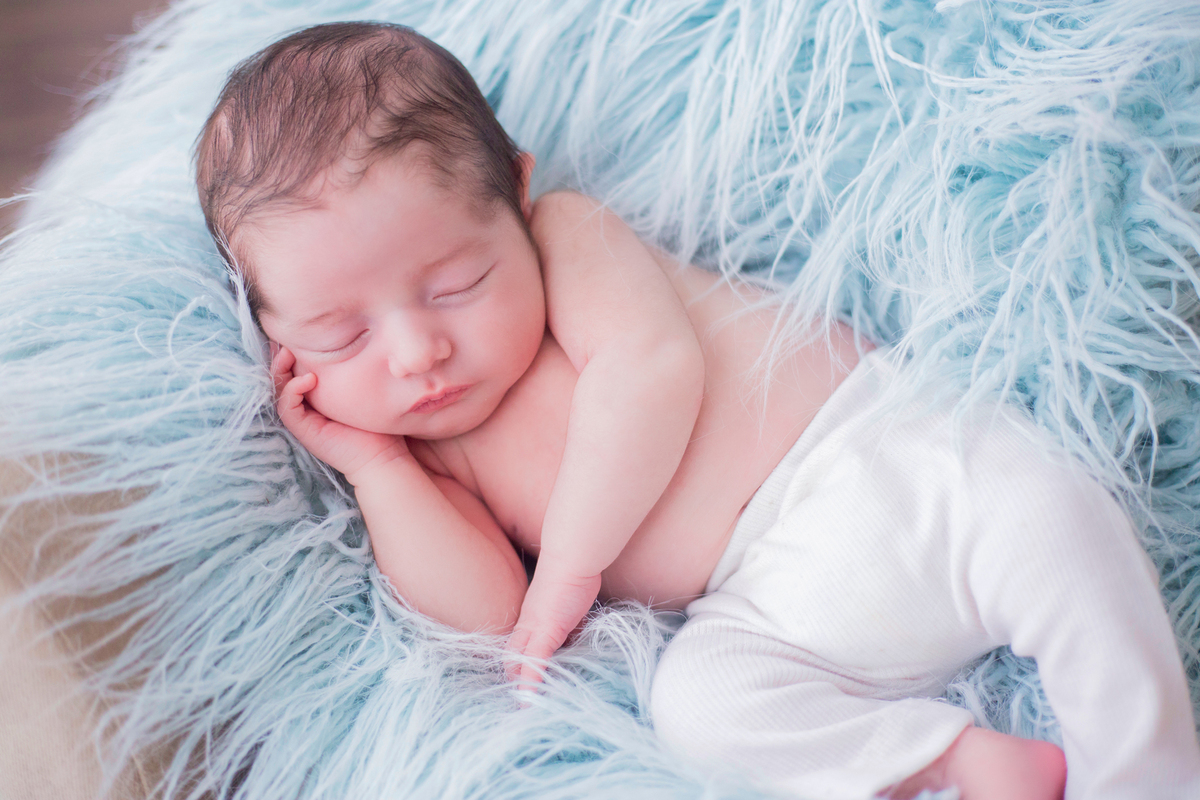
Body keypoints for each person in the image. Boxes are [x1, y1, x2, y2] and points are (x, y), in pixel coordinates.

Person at [193, 20, 1200, 800]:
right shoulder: (430, 451)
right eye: (340, 336)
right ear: (281, 338)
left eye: (456, 282)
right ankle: (956, 756)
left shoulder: (569, 240)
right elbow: (489, 611)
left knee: (1047, 514)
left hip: (880, 456)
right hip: (769, 602)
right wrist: (380, 470)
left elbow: (649, 372)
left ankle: (1148, 771)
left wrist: (573, 571)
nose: (418, 352)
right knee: (699, 703)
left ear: (517, 190)